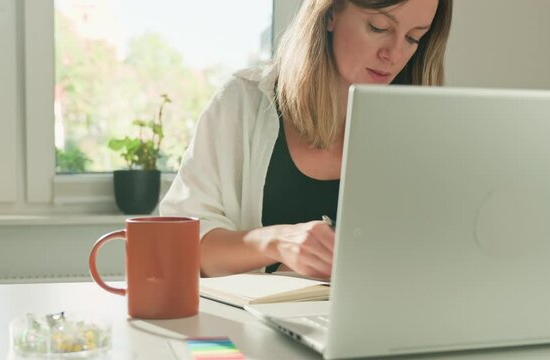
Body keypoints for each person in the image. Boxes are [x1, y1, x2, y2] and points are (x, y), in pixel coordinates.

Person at [160, 0, 453, 279]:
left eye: (414, 38)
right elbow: (182, 247)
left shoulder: (422, 129)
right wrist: (275, 241)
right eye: (378, 27)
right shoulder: (242, 103)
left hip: (381, 327)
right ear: (330, 13)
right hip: (252, 329)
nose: (394, 53)